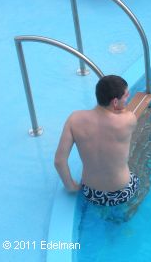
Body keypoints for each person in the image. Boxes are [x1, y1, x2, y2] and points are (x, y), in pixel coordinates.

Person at [54, 75, 138, 207]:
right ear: (115, 102)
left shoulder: (74, 119)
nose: (128, 99)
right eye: (126, 96)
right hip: (122, 192)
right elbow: (122, 112)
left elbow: (59, 161)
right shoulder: (128, 120)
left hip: (91, 192)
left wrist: (70, 186)